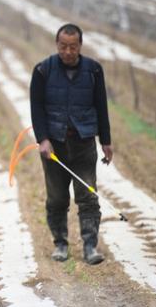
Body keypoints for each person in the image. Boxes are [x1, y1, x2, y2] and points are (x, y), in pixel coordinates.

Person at [30, 23, 113, 265]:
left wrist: (106, 141)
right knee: (56, 199)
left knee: (88, 195)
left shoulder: (94, 71)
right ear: (57, 45)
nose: (68, 51)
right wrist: (43, 139)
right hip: (54, 146)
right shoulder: (43, 70)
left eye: (73, 47)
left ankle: (89, 246)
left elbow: (101, 106)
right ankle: (61, 243)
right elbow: (36, 108)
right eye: (63, 46)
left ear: (80, 46)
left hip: (84, 143)